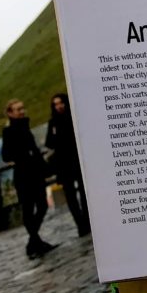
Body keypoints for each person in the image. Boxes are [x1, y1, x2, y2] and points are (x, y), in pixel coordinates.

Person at [1, 99, 57, 259]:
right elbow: (6, 155)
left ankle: (33, 242)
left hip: (36, 173)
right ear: (10, 113)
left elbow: (34, 149)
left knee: (42, 206)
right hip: (23, 175)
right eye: (18, 109)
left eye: (22, 108)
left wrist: (43, 167)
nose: (22, 111)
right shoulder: (9, 131)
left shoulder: (25, 127)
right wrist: (24, 155)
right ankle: (35, 243)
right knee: (28, 209)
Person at [45, 92, 90, 236]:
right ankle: (80, 224)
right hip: (63, 163)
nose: (58, 106)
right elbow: (49, 142)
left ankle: (87, 220)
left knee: (84, 192)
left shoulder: (74, 117)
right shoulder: (53, 123)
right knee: (70, 195)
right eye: (55, 104)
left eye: (60, 103)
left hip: (76, 160)